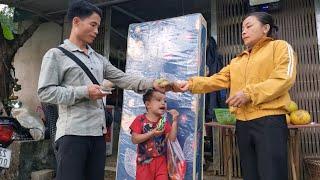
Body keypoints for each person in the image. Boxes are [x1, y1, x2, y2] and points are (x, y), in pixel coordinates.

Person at [37, 1, 166, 180]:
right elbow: (45, 92)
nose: (97, 31)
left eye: (98, 26)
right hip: (72, 134)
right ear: (76, 22)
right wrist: (84, 92)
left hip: (98, 135)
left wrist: (153, 83)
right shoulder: (56, 55)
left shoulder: (98, 59)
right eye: (93, 25)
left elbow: (123, 78)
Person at [173, 12, 297, 180]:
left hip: (269, 121)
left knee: (272, 174)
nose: (243, 31)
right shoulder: (237, 61)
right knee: (250, 174)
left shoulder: (280, 47)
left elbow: (284, 78)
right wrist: (191, 84)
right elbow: (218, 79)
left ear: (265, 28)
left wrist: (248, 93)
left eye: (249, 26)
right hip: (243, 124)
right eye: (242, 28)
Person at [130, 89, 179, 180]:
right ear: (148, 105)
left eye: (165, 101)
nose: (163, 103)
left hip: (161, 162)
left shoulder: (164, 121)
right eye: (159, 100)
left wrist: (175, 121)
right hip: (144, 162)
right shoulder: (140, 119)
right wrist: (152, 133)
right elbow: (134, 139)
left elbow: (172, 139)